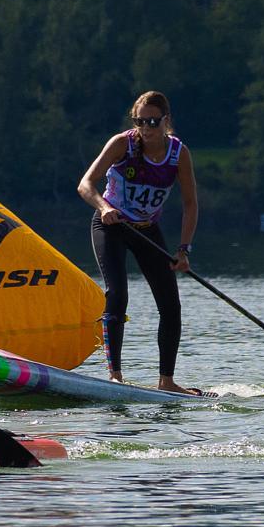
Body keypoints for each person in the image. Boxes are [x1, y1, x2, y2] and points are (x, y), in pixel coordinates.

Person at [77, 90, 201, 393]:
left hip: (146, 229)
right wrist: (104, 207)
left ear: (166, 121)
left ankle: (166, 382)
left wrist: (183, 250)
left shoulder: (179, 154)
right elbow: (85, 184)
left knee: (170, 305)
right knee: (117, 294)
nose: (146, 128)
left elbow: (190, 204)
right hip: (112, 225)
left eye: (153, 121)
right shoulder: (122, 144)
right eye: (140, 121)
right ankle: (115, 376)